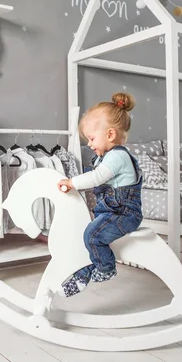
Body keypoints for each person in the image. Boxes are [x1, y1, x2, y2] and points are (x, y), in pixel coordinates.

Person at [57, 92, 143, 297]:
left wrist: (72, 183)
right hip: (111, 213)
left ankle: (105, 268)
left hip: (124, 215)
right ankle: (86, 270)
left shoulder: (118, 157)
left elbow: (96, 178)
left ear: (110, 135)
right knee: (88, 233)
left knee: (92, 235)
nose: (89, 144)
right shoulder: (106, 157)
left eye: (92, 138)